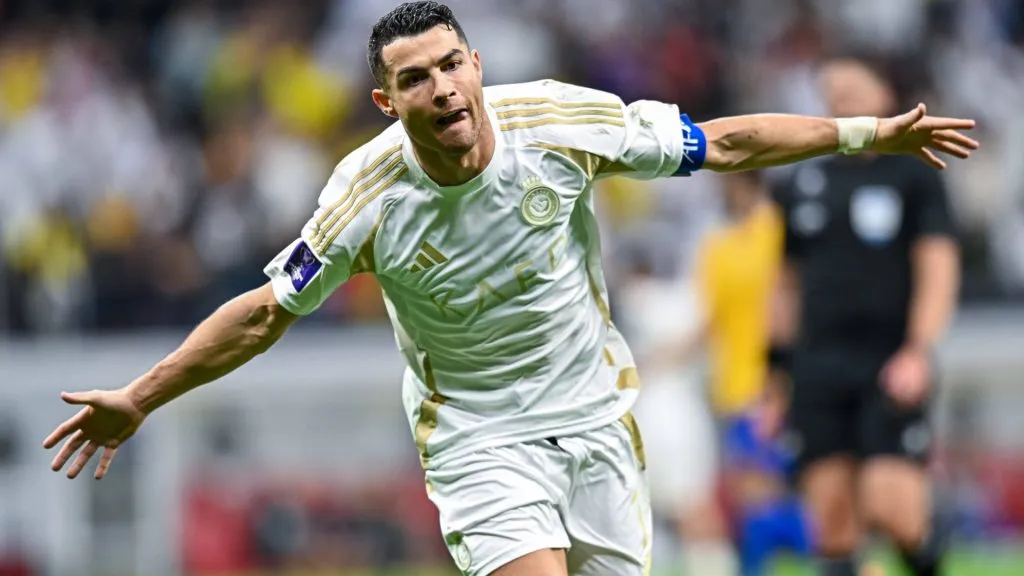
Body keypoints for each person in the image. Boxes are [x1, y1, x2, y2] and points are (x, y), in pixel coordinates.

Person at [42, 3, 977, 576]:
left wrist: (861, 134)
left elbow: (722, 143)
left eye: (453, 64)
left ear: (477, 65)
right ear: (388, 103)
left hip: (597, 419)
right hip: (480, 437)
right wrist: (141, 396)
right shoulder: (362, 198)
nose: (444, 88)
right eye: (416, 79)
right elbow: (263, 314)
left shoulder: (561, 122)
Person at [770, 57, 964, 576]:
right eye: (830, 89)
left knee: (890, 508)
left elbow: (937, 268)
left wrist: (918, 351)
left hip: (888, 360)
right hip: (817, 369)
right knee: (832, 525)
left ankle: (926, 546)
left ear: (885, 91)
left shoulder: (915, 174)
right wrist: (775, 375)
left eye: (853, 86)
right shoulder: (803, 180)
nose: (841, 98)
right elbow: (786, 284)